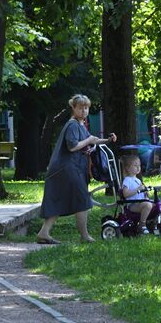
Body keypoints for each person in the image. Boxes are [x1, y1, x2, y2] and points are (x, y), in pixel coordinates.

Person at [37, 94, 117, 244]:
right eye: (81, 108)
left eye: (86, 108)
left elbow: (91, 140)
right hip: (66, 169)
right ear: (73, 108)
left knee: (59, 199)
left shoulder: (80, 125)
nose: (84, 111)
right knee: (82, 199)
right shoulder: (73, 125)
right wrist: (89, 141)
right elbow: (73, 146)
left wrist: (107, 140)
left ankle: (43, 233)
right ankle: (85, 236)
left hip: (71, 169)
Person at [121, 154, 161, 235]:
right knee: (147, 205)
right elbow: (125, 194)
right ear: (128, 168)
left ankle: (154, 223)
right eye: (135, 165)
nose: (138, 167)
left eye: (139, 165)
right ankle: (142, 225)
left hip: (141, 203)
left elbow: (142, 194)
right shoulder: (127, 180)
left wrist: (145, 193)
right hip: (133, 205)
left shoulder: (138, 180)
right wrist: (137, 190)